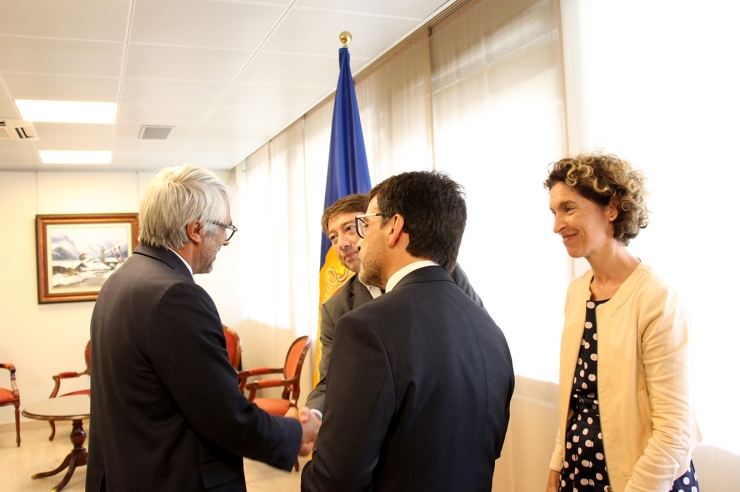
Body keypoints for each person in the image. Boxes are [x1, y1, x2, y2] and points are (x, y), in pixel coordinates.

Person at [86, 165, 318, 492]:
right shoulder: (176, 297)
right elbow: (225, 418)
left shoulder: (121, 280)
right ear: (196, 229)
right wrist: (296, 433)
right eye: (225, 227)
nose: (225, 240)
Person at [301, 171, 514, 492]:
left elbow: (337, 477)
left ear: (394, 228)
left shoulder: (364, 327)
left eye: (364, 225)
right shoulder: (492, 332)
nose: (356, 240)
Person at [544, 152, 701, 492]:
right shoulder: (576, 292)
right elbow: (574, 398)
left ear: (612, 209)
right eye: (554, 212)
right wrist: (557, 466)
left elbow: (674, 431)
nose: (557, 225)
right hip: (579, 477)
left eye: (569, 208)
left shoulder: (657, 299)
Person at [303, 193, 486, 416]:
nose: (341, 244)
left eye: (350, 228)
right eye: (333, 237)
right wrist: (313, 415)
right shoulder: (335, 310)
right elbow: (331, 382)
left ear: (381, 227)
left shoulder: (444, 273)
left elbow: (481, 339)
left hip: (454, 414)